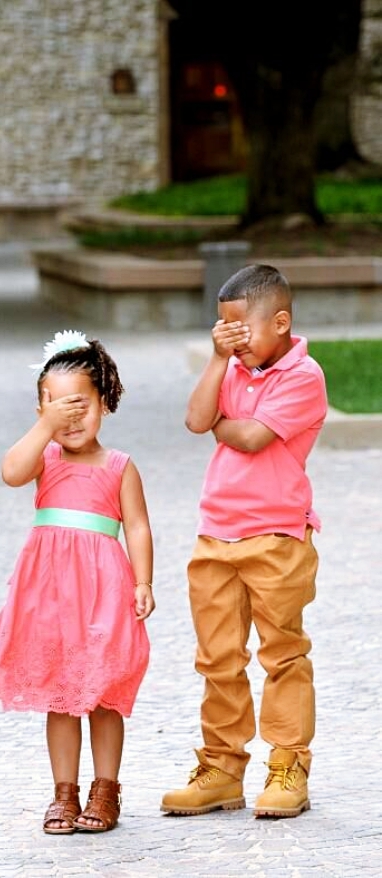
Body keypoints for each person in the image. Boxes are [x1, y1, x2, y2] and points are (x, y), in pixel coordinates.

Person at [0, 330, 155, 834]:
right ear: (40, 411)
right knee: (61, 694)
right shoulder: (43, 460)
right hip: (50, 596)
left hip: (103, 592)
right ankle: (64, 793)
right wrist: (45, 428)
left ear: (104, 405)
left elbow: (137, 525)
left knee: (105, 692)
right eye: (55, 408)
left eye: (79, 407)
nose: (69, 419)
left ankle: (105, 789)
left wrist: (143, 582)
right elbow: (10, 471)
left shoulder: (118, 466)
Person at [161, 264, 327, 820]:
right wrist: (216, 362)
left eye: (240, 330)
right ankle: (222, 768)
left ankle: (288, 764)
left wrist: (222, 426)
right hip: (216, 534)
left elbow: (251, 436)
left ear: (280, 322)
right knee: (217, 660)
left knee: (282, 655)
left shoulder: (304, 377)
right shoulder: (230, 367)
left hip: (277, 536)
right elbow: (195, 419)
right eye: (222, 330)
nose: (232, 340)